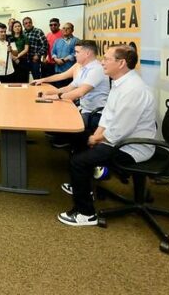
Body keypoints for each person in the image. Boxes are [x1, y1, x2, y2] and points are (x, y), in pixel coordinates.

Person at [58, 45, 156, 227]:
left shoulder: (133, 90)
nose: (102, 62)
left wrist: (95, 139)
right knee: (77, 140)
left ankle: (86, 214)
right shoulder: (120, 82)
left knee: (79, 161)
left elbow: (120, 130)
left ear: (121, 63)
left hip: (130, 147)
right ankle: (83, 187)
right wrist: (96, 135)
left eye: (107, 59)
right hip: (118, 139)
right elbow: (107, 115)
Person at [33, 40, 110, 149]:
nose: (74, 55)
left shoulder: (97, 69)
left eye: (77, 52)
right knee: (53, 122)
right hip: (84, 109)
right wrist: (48, 93)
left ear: (87, 53)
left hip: (94, 114)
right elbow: (69, 88)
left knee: (58, 124)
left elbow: (80, 92)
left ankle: (75, 145)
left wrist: (56, 97)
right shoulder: (84, 68)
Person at [22, 17, 48, 81]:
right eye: (26, 23)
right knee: (24, 80)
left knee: (36, 80)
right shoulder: (22, 33)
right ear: (23, 25)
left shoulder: (38, 31)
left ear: (32, 23)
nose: (28, 24)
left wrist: (38, 55)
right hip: (25, 60)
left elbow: (45, 45)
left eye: (29, 22)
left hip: (34, 60)